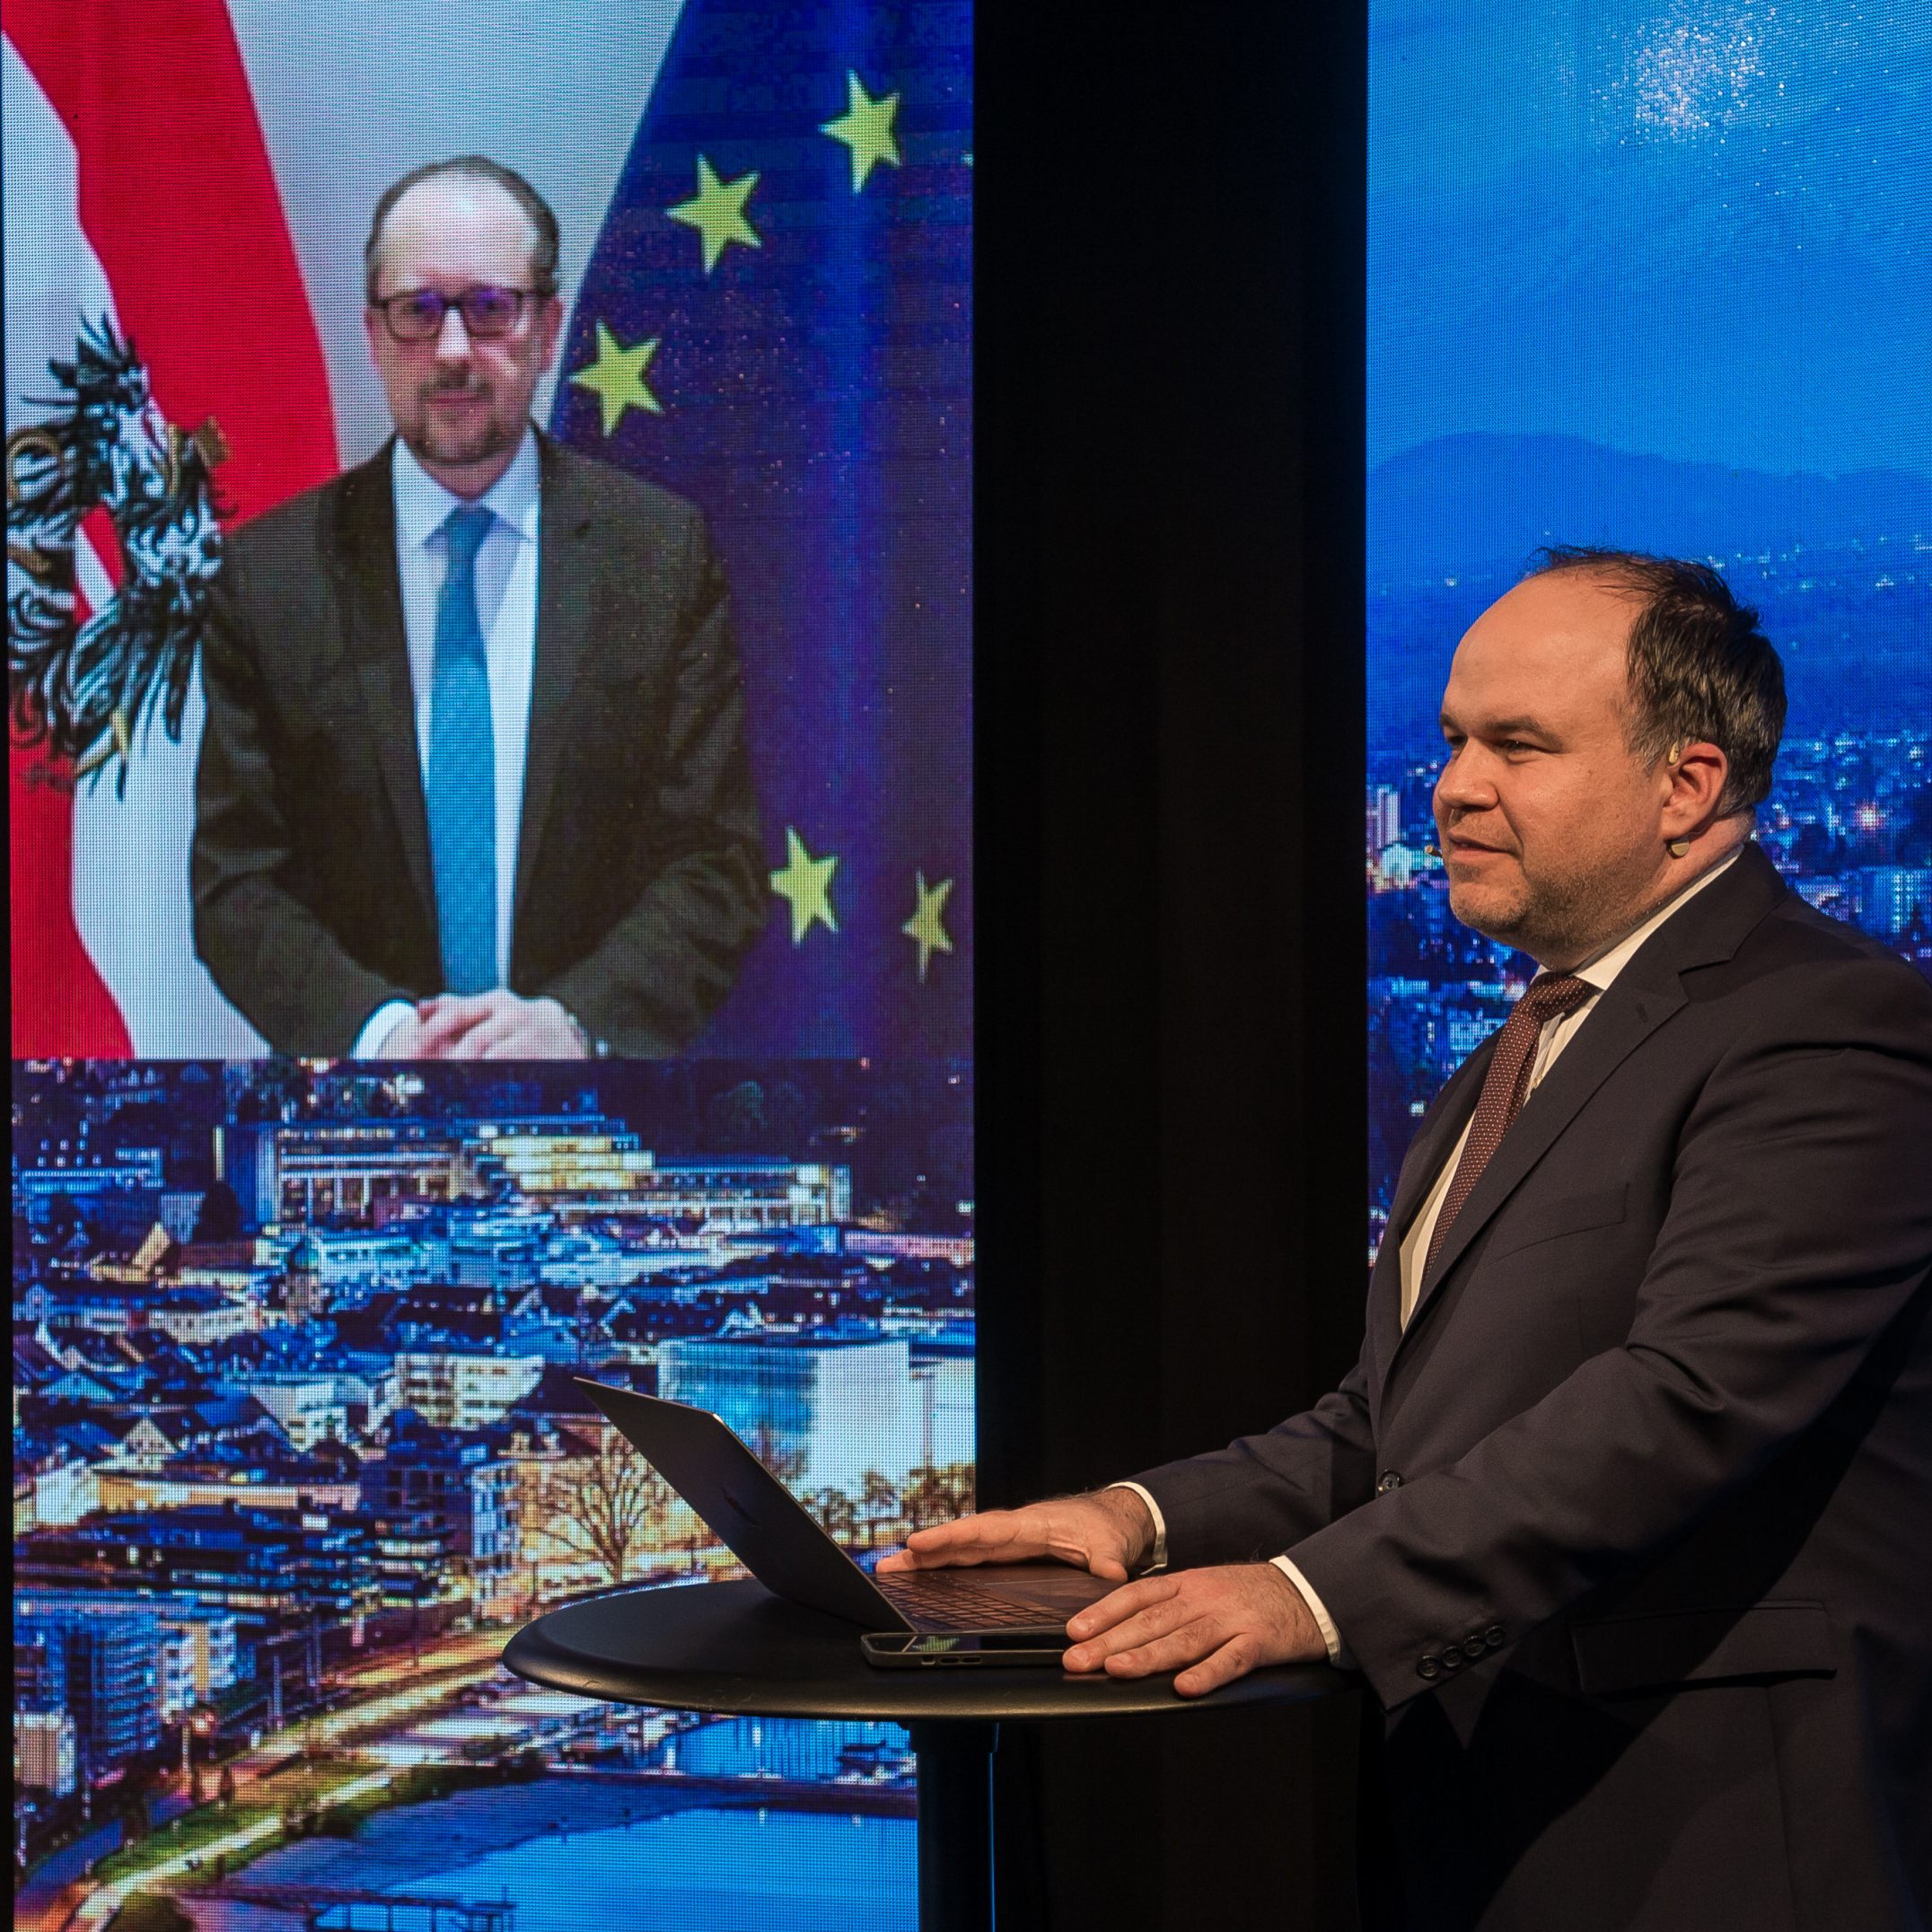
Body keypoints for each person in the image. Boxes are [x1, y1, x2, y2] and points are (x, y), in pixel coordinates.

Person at [883, 550, 1932, 1930]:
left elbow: (1689, 1399)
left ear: (1688, 787)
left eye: (1519, 745)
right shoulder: (1515, 1054)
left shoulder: (1827, 1026)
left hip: (1716, 1845)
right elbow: (1384, 1429)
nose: (1453, 787)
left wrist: (1308, 1595)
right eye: (1450, 740)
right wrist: (1130, 1522)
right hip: (1485, 1832)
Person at [192, 156, 765, 1058]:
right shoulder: (269, 580)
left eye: (490, 308)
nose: (454, 350)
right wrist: (381, 1036)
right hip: (358, 1095)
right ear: (373, 333)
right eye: (418, 310)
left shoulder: (659, 556)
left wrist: (574, 1024)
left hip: (588, 1091)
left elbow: (713, 866)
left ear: (548, 328)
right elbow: (237, 886)